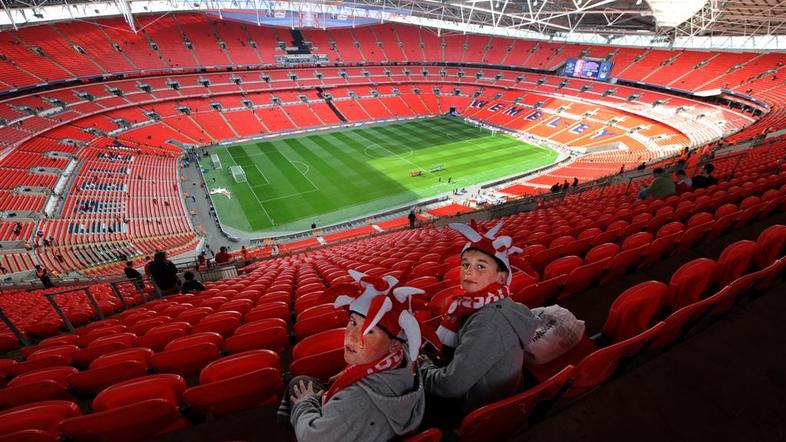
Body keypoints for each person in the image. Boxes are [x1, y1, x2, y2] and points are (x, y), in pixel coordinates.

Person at [279, 270, 426, 441]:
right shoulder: (403, 354)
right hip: (372, 420)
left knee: (297, 386)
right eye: (353, 322)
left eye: (369, 331)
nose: (350, 336)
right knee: (302, 381)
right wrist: (347, 375)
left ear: (395, 344)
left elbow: (310, 437)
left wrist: (305, 402)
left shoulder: (355, 402)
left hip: (344, 421)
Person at [419, 221, 540, 416]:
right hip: (488, 392)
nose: (469, 271)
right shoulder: (479, 305)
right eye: (465, 264)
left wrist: (423, 366)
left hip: (479, 408)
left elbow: (451, 386)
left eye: (480, 266)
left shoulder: (488, 322)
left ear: (501, 278)